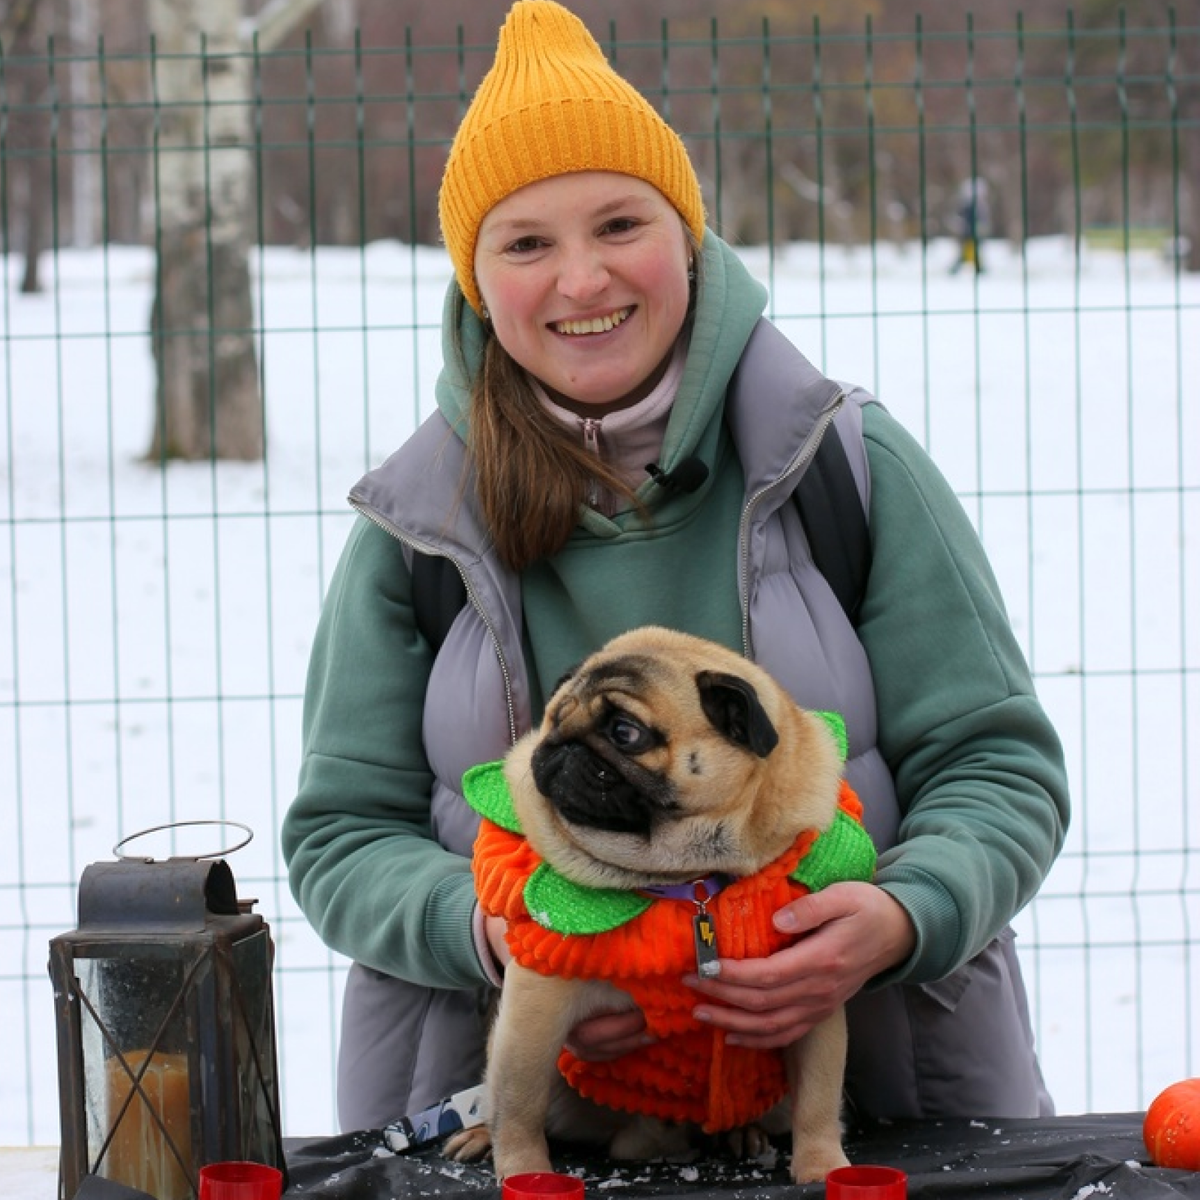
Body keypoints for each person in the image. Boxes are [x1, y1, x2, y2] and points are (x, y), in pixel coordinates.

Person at [282, 0, 1069, 1137]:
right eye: (527, 242)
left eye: (619, 223)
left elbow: (997, 762)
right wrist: (500, 936)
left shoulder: (845, 464)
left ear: (687, 237)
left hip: (877, 1100)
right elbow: (340, 834)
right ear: (475, 278)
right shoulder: (420, 525)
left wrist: (904, 914)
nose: (583, 279)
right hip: (509, 1120)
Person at [951, 176, 991, 274]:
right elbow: (964, 218)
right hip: (969, 233)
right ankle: (977, 268)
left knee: (971, 251)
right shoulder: (969, 206)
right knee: (968, 251)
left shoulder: (978, 205)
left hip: (973, 233)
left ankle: (978, 268)